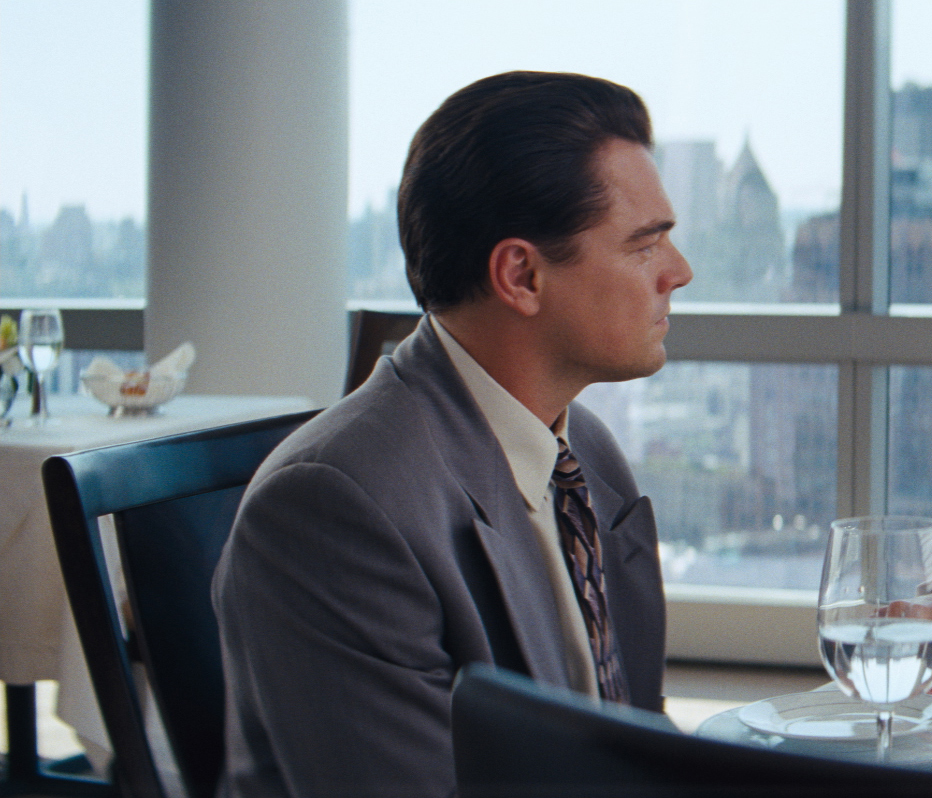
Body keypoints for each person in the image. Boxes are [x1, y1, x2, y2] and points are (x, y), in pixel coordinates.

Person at [214, 71, 691, 798]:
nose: (679, 272)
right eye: (644, 246)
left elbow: (633, 743)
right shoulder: (334, 509)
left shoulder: (585, 450)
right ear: (521, 276)